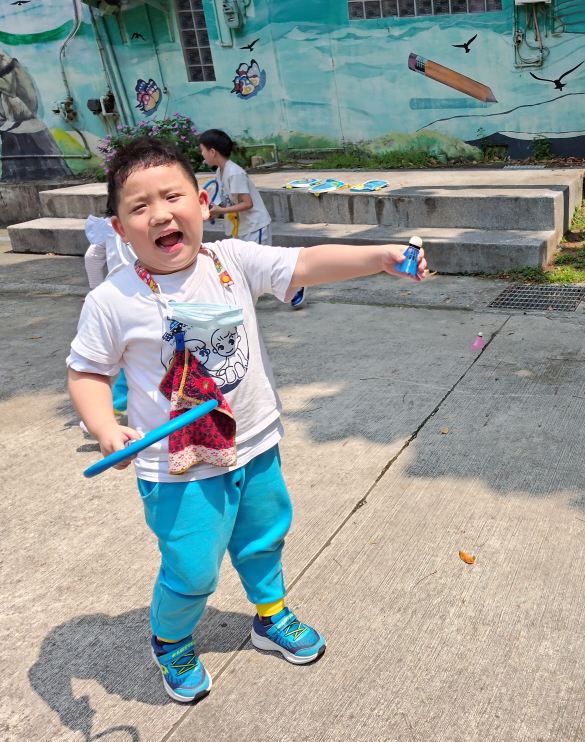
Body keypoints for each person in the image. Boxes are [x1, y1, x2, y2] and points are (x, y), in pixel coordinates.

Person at [67, 137, 427, 703]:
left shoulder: (230, 261)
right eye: (140, 207)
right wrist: (105, 428)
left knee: (264, 538)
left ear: (202, 203)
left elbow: (305, 262)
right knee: (192, 568)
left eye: (173, 196)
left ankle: (270, 614)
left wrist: (380, 257)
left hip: (254, 444)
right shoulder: (111, 300)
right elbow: (86, 372)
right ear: (119, 228)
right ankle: (170, 638)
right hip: (178, 467)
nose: (160, 214)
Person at [198, 128, 307, 309]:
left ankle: (296, 286)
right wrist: (215, 211)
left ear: (212, 151)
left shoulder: (234, 173)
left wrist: (221, 210)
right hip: (242, 227)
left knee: (262, 266)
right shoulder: (221, 172)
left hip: (255, 226)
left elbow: (247, 203)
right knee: (249, 267)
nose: (202, 155)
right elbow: (228, 200)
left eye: (202, 150)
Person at [81, 215, 134, 424]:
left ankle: (109, 408)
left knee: (126, 356)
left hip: (114, 295)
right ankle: (111, 408)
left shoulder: (107, 226)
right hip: (141, 292)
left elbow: (92, 257)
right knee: (136, 357)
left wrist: (96, 291)